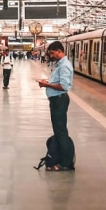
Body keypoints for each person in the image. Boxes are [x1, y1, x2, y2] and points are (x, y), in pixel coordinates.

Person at [37, 41, 74, 171]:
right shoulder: (60, 64)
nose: (51, 55)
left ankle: (65, 162)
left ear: (59, 51)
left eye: (52, 53)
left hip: (59, 100)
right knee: (59, 131)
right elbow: (58, 82)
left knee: (61, 132)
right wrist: (47, 82)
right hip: (56, 100)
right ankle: (62, 158)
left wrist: (46, 85)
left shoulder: (64, 66)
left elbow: (63, 86)